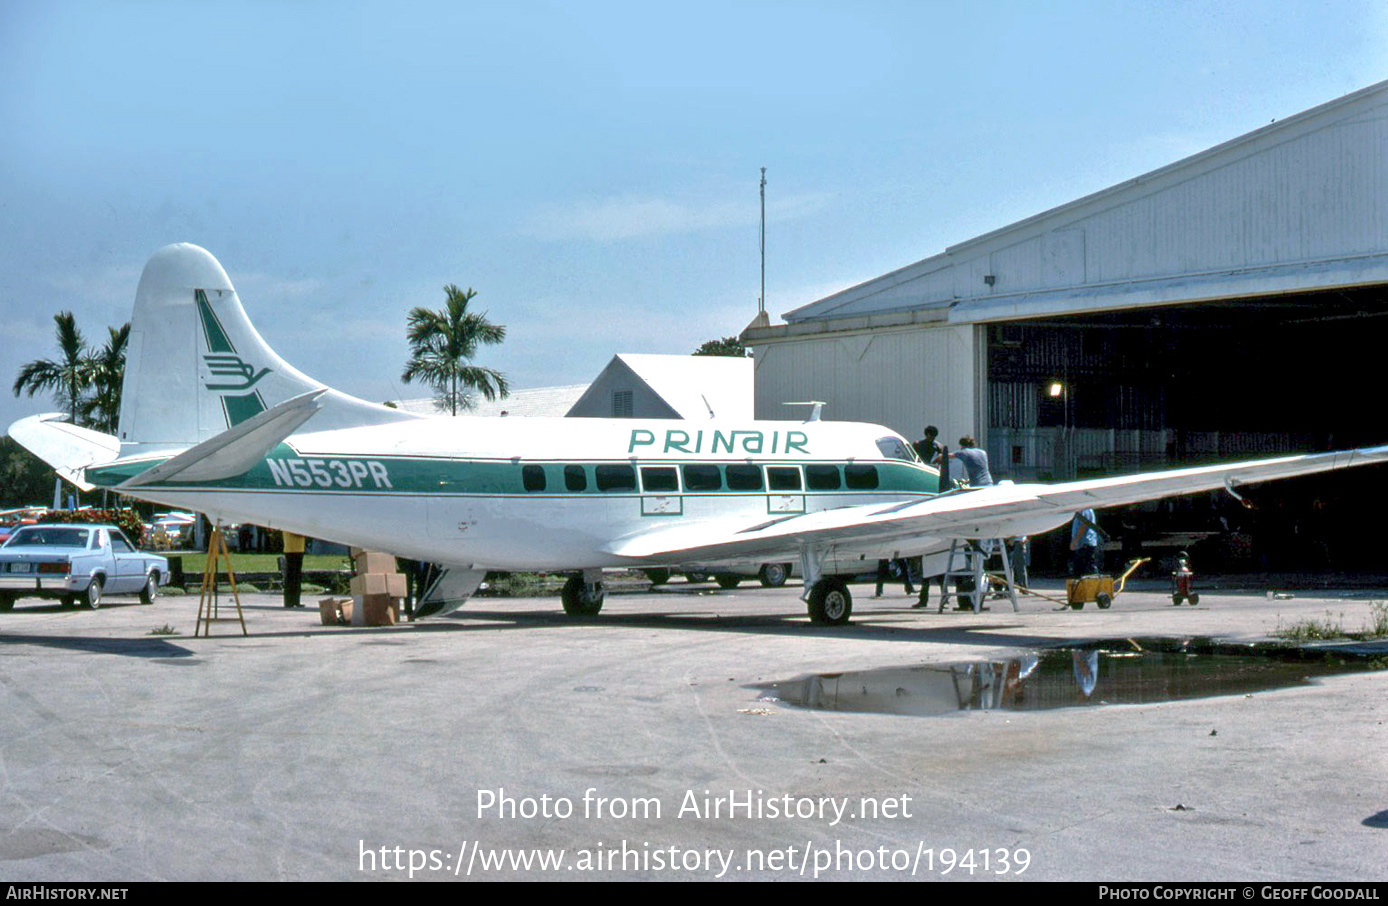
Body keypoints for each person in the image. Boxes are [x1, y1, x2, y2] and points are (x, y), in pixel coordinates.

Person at [1069, 508, 1104, 577]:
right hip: (1083, 542)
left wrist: (1075, 541)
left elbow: (1083, 525)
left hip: (1084, 542)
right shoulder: (1083, 510)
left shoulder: (1085, 510)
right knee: (1083, 564)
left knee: (1086, 564)